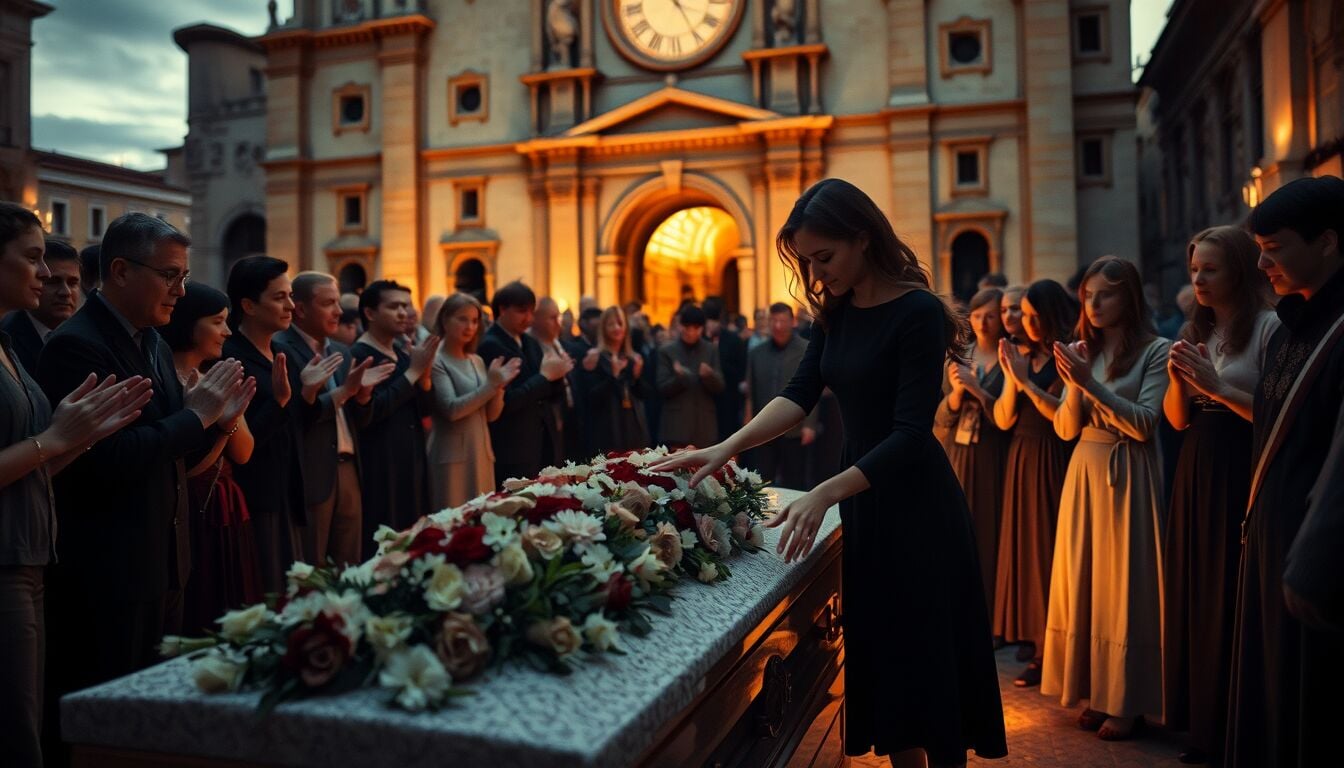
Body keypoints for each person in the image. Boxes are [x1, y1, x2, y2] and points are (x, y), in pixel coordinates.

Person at [654, 178, 1006, 768]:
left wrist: (822, 493)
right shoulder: (835, 313)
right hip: (864, 498)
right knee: (888, 663)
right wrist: (725, 447)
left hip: (916, 502)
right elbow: (799, 395)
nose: (817, 275)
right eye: (808, 262)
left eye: (825, 257)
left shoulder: (916, 311)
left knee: (927, 664)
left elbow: (911, 435)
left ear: (863, 238)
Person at [38, 212, 247, 695]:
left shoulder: (151, 338)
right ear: (121, 271)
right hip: (110, 569)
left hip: (165, 559)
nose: (179, 290)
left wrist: (216, 419)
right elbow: (107, 460)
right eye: (169, 275)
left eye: (184, 277)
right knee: (108, 707)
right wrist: (196, 416)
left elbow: (172, 447)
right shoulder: (78, 346)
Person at [0, 203, 150, 768]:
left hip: (34, 553)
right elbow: (38, 447)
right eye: (33, 258)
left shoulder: (9, 348)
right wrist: (56, 438)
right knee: (19, 735)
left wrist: (85, 435)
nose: (45, 276)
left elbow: (41, 458)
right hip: (6, 558)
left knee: (30, 721)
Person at [1226, 175, 1344, 768]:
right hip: (1269, 539)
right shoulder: (1284, 331)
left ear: (1327, 242)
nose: (1262, 262)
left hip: (1320, 557)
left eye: (1274, 247)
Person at [1159, 226, 1277, 766]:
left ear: (1240, 269)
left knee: (1232, 591)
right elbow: (1178, 421)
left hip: (1240, 463)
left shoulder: (1270, 329)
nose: (1200, 279)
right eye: (1194, 270)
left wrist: (1215, 386)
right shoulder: (1196, 329)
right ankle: (1201, 724)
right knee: (1196, 588)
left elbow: (1274, 416)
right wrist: (1181, 384)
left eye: (1211, 268)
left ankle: (1236, 725)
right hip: (1196, 465)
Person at [1042, 256, 1169, 741]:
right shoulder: (1084, 350)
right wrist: (1075, 385)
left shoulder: (1157, 350)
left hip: (1128, 474)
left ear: (1130, 298)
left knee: (1125, 587)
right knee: (1086, 583)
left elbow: (1143, 423)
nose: (1094, 304)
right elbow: (1067, 428)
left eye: (1106, 294)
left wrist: (1087, 383)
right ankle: (1096, 688)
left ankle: (1129, 700)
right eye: (1088, 295)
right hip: (1085, 470)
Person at [160, 283, 263, 635]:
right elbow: (187, 467)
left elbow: (245, 453)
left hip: (225, 502)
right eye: (218, 321)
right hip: (187, 506)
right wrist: (217, 423)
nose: (227, 332)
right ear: (190, 323)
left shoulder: (213, 377)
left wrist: (230, 420)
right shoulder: (163, 378)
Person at [991, 278, 1077, 687]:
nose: (1024, 322)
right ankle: (1036, 645)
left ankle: (1053, 650)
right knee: (1025, 552)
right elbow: (1004, 418)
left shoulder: (1067, 354)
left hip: (1053, 457)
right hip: (1021, 456)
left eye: (1031, 314)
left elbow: (1062, 417)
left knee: (1049, 554)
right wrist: (1013, 375)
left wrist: (1024, 381)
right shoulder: (1023, 355)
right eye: (1021, 314)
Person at [278, 272, 392, 568]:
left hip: (348, 465)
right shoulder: (282, 350)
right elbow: (298, 416)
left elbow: (357, 419)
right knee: (312, 566)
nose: (339, 312)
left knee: (349, 563)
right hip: (313, 468)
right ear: (300, 309)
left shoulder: (341, 350)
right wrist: (344, 392)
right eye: (328, 303)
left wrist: (363, 397)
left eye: (338, 303)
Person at [224, 256, 325, 592]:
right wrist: (280, 401)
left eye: (291, 296)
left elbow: (298, 424)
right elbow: (243, 441)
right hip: (258, 496)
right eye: (280, 298)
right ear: (249, 305)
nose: (292, 306)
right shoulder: (231, 358)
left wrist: (308, 395)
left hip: (290, 490)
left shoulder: (286, 353)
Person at [936, 287, 1008, 622]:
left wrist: (977, 390)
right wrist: (956, 395)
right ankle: (956, 610)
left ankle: (991, 615)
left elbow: (1010, 419)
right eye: (977, 314)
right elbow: (940, 417)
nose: (983, 321)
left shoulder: (1010, 356)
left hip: (992, 453)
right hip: (957, 449)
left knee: (989, 532)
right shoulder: (959, 353)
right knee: (953, 531)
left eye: (991, 314)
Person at [350, 280, 440, 550]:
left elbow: (424, 409)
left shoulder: (402, 352)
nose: (404, 312)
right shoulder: (359, 355)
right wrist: (413, 372)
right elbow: (372, 411)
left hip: (410, 455)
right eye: (394, 306)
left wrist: (423, 376)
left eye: (406, 305)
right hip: (379, 460)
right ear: (369, 313)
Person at [428, 293, 518, 510]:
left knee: (482, 518)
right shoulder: (436, 361)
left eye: (475, 320)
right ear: (444, 320)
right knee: (454, 520)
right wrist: (490, 386)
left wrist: (499, 388)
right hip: (452, 457)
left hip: (480, 451)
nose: (470, 326)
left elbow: (490, 416)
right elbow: (451, 409)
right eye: (462, 319)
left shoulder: (476, 360)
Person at [477, 281, 571, 485]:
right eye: (522, 311)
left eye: (531, 312)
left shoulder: (529, 342)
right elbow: (507, 401)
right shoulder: (491, 344)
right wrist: (545, 377)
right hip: (512, 445)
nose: (528, 318)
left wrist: (559, 374)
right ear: (502, 309)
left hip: (540, 440)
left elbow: (547, 392)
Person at [744, 302, 817, 489]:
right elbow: (751, 391)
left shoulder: (806, 349)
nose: (778, 326)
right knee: (762, 480)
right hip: (763, 427)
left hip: (795, 426)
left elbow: (814, 387)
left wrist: (810, 425)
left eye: (782, 321)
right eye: (774, 321)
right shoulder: (756, 353)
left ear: (792, 322)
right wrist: (748, 420)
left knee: (795, 480)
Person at [0, 238, 80, 373]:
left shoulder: (83, 336)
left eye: (73, 283)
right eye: (53, 282)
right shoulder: (8, 336)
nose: (65, 292)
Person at [585, 306, 652, 453]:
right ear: (603, 328)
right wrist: (613, 376)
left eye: (620, 323)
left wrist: (636, 377)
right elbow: (592, 397)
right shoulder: (596, 356)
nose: (617, 328)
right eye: (611, 324)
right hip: (608, 425)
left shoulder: (633, 357)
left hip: (632, 424)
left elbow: (645, 395)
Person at [656, 304, 724, 449]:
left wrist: (709, 375)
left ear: (702, 328)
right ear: (680, 326)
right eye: (687, 328)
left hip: (704, 426)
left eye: (696, 328)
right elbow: (661, 387)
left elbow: (720, 386)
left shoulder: (710, 349)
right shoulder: (667, 351)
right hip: (676, 427)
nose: (691, 332)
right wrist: (680, 378)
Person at [530, 297, 581, 461]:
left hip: (569, 420)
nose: (559, 323)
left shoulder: (560, 345)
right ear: (535, 319)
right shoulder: (531, 347)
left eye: (558, 317)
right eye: (552, 318)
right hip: (546, 424)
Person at [705, 295, 747, 443]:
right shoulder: (700, 340)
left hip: (728, 401)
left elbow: (740, 370)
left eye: (714, 321)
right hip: (706, 404)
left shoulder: (733, 340)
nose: (711, 325)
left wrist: (717, 367)